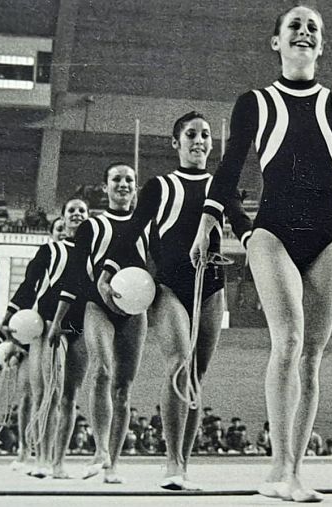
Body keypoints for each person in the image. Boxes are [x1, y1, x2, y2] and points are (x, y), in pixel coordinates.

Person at [190, 5, 332, 502]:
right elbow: (230, 165)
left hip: (327, 235)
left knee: (312, 359)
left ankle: (293, 470)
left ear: (322, 46)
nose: (303, 31)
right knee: (289, 341)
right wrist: (210, 220)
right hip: (272, 232)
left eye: (312, 27)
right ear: (276, 42)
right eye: (293, 25)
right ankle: (279, 469)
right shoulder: (254, 101)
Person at [100, 112, 252, 490]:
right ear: (175, 143)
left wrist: (261, 244)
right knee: (179, 365)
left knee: (196, 377)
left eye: (204, 134)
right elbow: (131, 230)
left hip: (213, 288)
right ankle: (170, 463)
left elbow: (239, 220)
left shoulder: (222, 184)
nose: (198, 140)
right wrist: (107, 271)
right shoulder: (158, 186)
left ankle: (183, 464)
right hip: (168, 288)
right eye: (190, 134)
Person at [48, 163, 147, 484]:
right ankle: (100, 449)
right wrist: (59, 320)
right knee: (103, 371)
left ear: (136, 187)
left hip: (135, 311)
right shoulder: (92, 226)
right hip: (98, 306)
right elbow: (75, 273)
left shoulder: (146, 225)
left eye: (129, 180)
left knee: (124, 388)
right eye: (116, 179)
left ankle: (113, 465)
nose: (123, 184)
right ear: (105, 187)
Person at [0, 200, 88, 477]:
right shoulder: (50, 250)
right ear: (63, 222)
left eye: (83, 211)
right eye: (71, 211)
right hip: (47, 323)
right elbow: (27, 289)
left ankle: (58, 462)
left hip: (80, 326)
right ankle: (37, 456)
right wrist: (1, 331)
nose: (77, 214)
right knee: (44, 394)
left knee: (69, 397)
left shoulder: (93, 251)